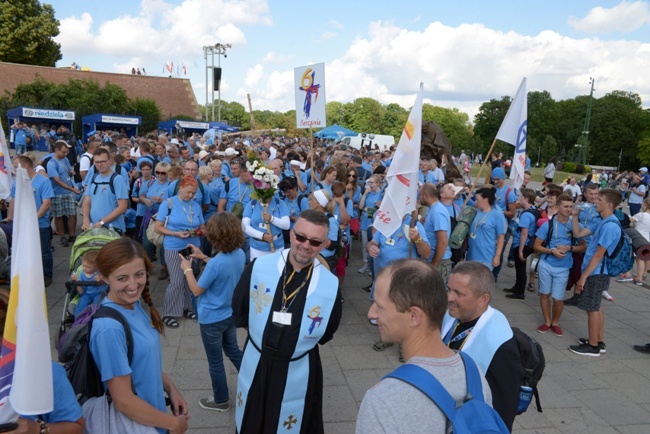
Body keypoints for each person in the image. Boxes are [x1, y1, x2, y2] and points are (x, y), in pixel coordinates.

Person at [232, 209, 343, 433]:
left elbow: (327, 330)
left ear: (324, 245)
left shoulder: (330, 286)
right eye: (301, 237)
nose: (305, 245)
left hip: (298, 366)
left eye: (315, 241)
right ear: (291, 235)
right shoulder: (259, 267)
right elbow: (240, 309)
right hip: (258, 361)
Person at [356, 259, 492, 434]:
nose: (371, 313)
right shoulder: (474, 374)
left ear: (413, 316)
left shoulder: (382, 400)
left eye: (380, 307)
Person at [89, 238, 189, 434]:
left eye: (139, 274)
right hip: (137, 425)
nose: (133, 285)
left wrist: (170, 389)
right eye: (122, 278)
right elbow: (124, 401)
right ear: (104, 277)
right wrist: (171, 423)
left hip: (153, 419)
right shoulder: (109, 328)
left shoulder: (132, 305)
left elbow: (142, 363)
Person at [442, 261, 523, 431]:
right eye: (449, 289)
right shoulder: (453, 315)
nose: (449, 298)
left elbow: (503, 409)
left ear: (483, 299)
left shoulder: (501, 345)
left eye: (459, 293)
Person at [179, 213, 245, 411]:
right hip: (229, 313)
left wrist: (187, 270)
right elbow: (222, 268)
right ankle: (254, 377)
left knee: (215, 361)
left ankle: (221, 399)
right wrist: (203, 257)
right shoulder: (239, 253)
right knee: (233, 349)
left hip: (211, 319)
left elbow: (197, 290)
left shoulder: (216, 264)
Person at [569, 189, 623, 357]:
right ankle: (598, 341)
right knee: (596, 307)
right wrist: (575, 216)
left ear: (610, 204)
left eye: (599, 199)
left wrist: (583, 276)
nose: (595, 202)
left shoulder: (609, 226)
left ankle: (593, 347)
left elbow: (599, 254)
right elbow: (578, 234)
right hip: (598, 271)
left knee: (592, 308)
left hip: (596, 272)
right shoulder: (603, 221)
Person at [154, 176, 206, 328]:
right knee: (176, 281)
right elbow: (158, 227)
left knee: (189, 279)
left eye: (194, 193)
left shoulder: (195, 205)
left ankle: (186, 307)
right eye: (189, 192)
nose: (191, 196)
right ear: (181, 188)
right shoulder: (168, 203)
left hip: (193, 247)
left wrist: (199, 233)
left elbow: (203, 227)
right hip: (173, 246)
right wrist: (175, 233)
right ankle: (168, 313)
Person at [534, 194, 586, 336]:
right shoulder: (548, 225)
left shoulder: (575, 225)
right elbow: (536, 246)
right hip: (546, 264)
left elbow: (583, 247)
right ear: (558, 207)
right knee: (545, 294)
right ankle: (547, 322)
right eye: (566, 206)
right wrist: (552, 251)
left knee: (558, 299)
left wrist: (570, 248)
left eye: (571, 206)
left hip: (563, 267)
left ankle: (555, 322)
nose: (569, 209)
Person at [2, 156, 54, 286]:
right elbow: (13, 199)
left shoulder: (43, 181)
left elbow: (46, 203)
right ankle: (30, 274)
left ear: (25, 166)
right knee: (25, 249)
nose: (14, 169)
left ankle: (47, 275)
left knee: (44, 251)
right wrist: (10, 216)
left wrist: (33, 219)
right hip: (22, 224)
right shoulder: (17, 182)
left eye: (16, 166)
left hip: (40, 225)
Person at [81, 148, 130, 233]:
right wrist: (86, 220)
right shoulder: (93, 178)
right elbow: (86, 202)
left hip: (113, 229)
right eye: (97, 162)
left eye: (103, 161)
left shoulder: (117, 179)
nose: (100, 164)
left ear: (110, 161)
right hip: (94, 227)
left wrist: (102, 222)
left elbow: (123, 207)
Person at [504, 188, 538, 300]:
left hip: (522, 244)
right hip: (525, 244)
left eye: (521, 197)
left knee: (520, 268)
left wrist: (520, 250)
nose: (519, 199)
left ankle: (520, 292)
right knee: (519, 267)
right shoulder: (533, 210)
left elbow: (524, 233)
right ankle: (517, 287)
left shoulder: (526, 215)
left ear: (526, 198)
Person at [140, 162, 171, 279]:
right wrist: (144, 200)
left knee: (163, 242)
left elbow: (173, 200)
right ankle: (148, 265)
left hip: (163, 217)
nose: (160, 175)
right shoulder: (150, 182)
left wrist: (161, 200)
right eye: (158, 172)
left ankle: (164, 266)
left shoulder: (171, 185)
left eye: (163, 173)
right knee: (146, 241)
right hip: (149, 215)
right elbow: (141, 195)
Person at [47, 140, 80, 247]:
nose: (65, 154)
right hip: (57, 193)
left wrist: (72, 172)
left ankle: (71, 235)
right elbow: (57, 180)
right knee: (59, 216)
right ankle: (62, 236)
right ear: (56, 150)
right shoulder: (51, 163)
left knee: (72, 213)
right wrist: (72, 189)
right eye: (63, 152)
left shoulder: (65, 159)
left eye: (66, 152)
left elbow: (69, 171)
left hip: (69, 191)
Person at [466, 187, 507, 270]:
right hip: (471, 256)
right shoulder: (476, 212)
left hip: (486, 257)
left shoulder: (496, 215)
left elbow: (501, 237)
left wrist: (497, 256)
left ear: (485, 200)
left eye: (477, 199)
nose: (475, 201)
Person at [419, 183, 452, 281]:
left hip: (439, 261)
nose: (419, 197)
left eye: (420, 195)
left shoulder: (437, 212)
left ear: (426, 195)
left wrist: (434, 264)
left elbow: (442, 242)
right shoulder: (433, 209)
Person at [358, 175, 383, 275]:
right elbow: (360, 206)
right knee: (365, 244)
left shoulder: (382, 194)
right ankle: (366, 263)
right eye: (369, 182)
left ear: (378, 183)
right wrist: (364, 194)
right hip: (365, 221)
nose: (370, 185)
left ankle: (374, 265)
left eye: (372, 183)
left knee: (376, 244)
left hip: (376, 223)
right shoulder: (368, 193)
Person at [71, 250, 108, 317]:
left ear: (96, 266)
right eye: (83, 266)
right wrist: (77, 282)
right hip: (86, 294)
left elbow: (110, 282)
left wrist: (102, 279)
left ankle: (96, 317)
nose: (85, 268)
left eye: (88, 267)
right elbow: (81, 292)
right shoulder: (82, 274)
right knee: (81, 304)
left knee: (98, 304)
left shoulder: (100, 272)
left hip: (99, 293)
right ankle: (78, 320)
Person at [629, 197, 650, 285]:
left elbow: (629, 220)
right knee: (646, 257)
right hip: (647, 237)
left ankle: (639, 278)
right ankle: (644, 273)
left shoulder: (641, 215)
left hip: (638, 238)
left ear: (645, 205)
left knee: (639, 259)